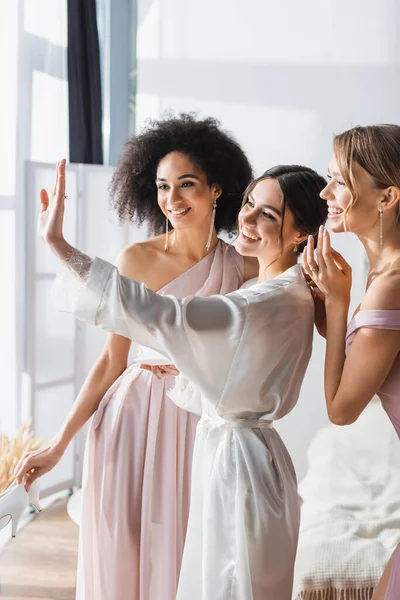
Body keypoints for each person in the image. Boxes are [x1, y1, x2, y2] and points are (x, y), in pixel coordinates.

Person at [36, 159, 327, 599]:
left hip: (233, 459)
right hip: (216, 446)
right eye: (249, 204)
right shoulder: (287, 289)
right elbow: (130, 351)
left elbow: (165, 315)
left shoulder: (267, 298)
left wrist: (58, 245)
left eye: (267, 214)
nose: (246, 219)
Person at [14, 115, 257, 600]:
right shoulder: (137, 259)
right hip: (133, 415)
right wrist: (60, 445)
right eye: (163, 187)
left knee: (191, 547)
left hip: (201, 419)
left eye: (186, 185)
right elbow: (110, 363)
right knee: (122, 540)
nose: (172, 199)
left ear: (216, 189)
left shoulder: (246, 266)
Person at [302, 124, 400, 600]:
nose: (326, 193)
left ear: (386, 198)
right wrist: (326, 302)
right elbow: (363, 349)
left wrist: (337, 304)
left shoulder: (391, 282)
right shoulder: (380, 267)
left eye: (340, 181)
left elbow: (340, 410)